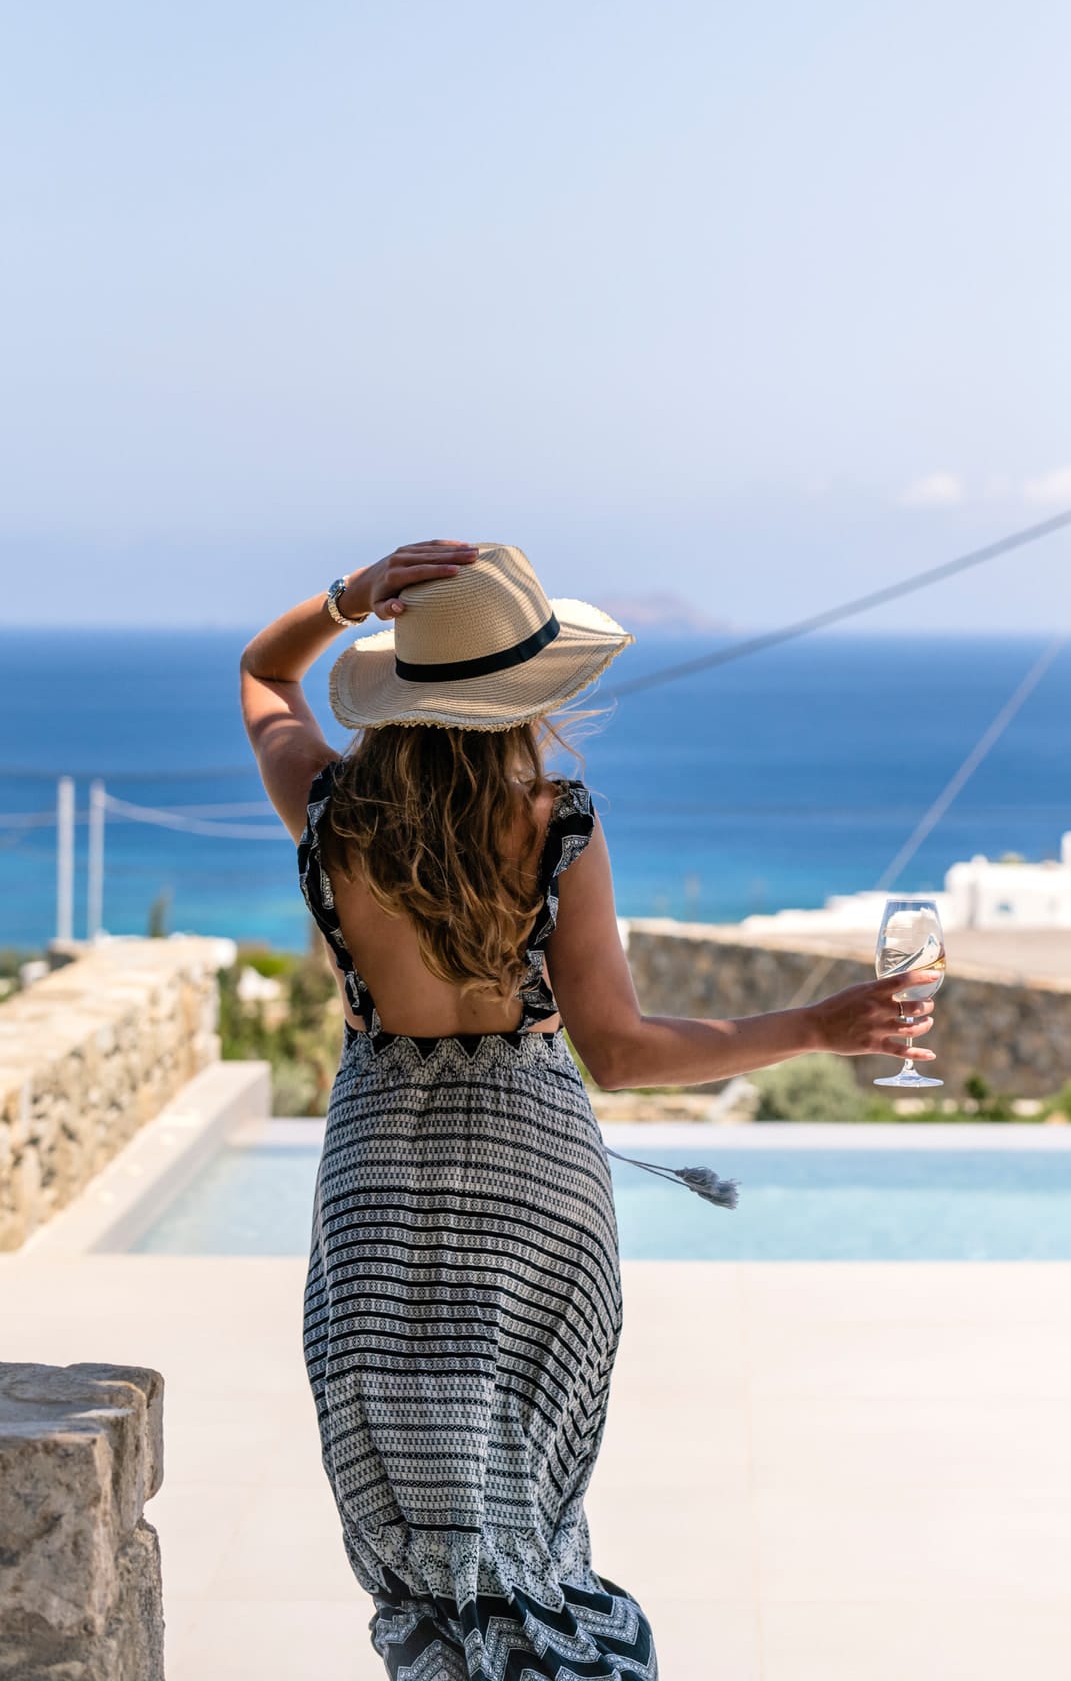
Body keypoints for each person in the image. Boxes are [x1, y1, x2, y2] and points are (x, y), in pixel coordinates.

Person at [240, 539, 939, 1681]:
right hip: (533, 1182)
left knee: (417, 1527)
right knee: (531, 1516)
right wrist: (816, 1025)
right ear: (525, 697)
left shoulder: (329, 809)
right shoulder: (553, 821)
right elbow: (620, 1050)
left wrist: (345, 599)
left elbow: (265, 676)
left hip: (376, 1182)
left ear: (403, 687)